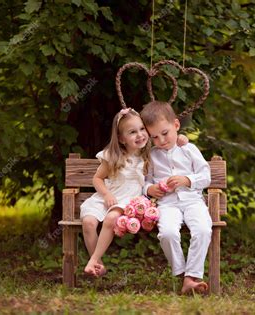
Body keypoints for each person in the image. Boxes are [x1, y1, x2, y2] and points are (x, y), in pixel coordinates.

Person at [80, 108, 188, 277]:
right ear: (122, 139)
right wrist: (107, 195)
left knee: (111, 218)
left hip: (128, 200)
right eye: (132, 132)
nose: (139, 135)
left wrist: (181, 138)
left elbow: (172, 143)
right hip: (108, 196)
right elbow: (97, 179)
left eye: (142, 129)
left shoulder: (150, 154)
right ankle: (97, 263)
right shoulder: (113, 156)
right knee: (88, 222)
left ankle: (93, 261)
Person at [141, 101, 212, 294]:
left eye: (165, 133)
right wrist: (150, 189)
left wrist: (187, 179)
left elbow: (206, 176)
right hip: (167, 204)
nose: (161, 140)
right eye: (154, 137)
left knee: (203, 229)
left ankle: (192, 277)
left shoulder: (189, 149)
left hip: (192, 201)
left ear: (176, 125)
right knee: (168, 233)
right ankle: (183, 275)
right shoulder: (151, 155)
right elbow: (144, 182)